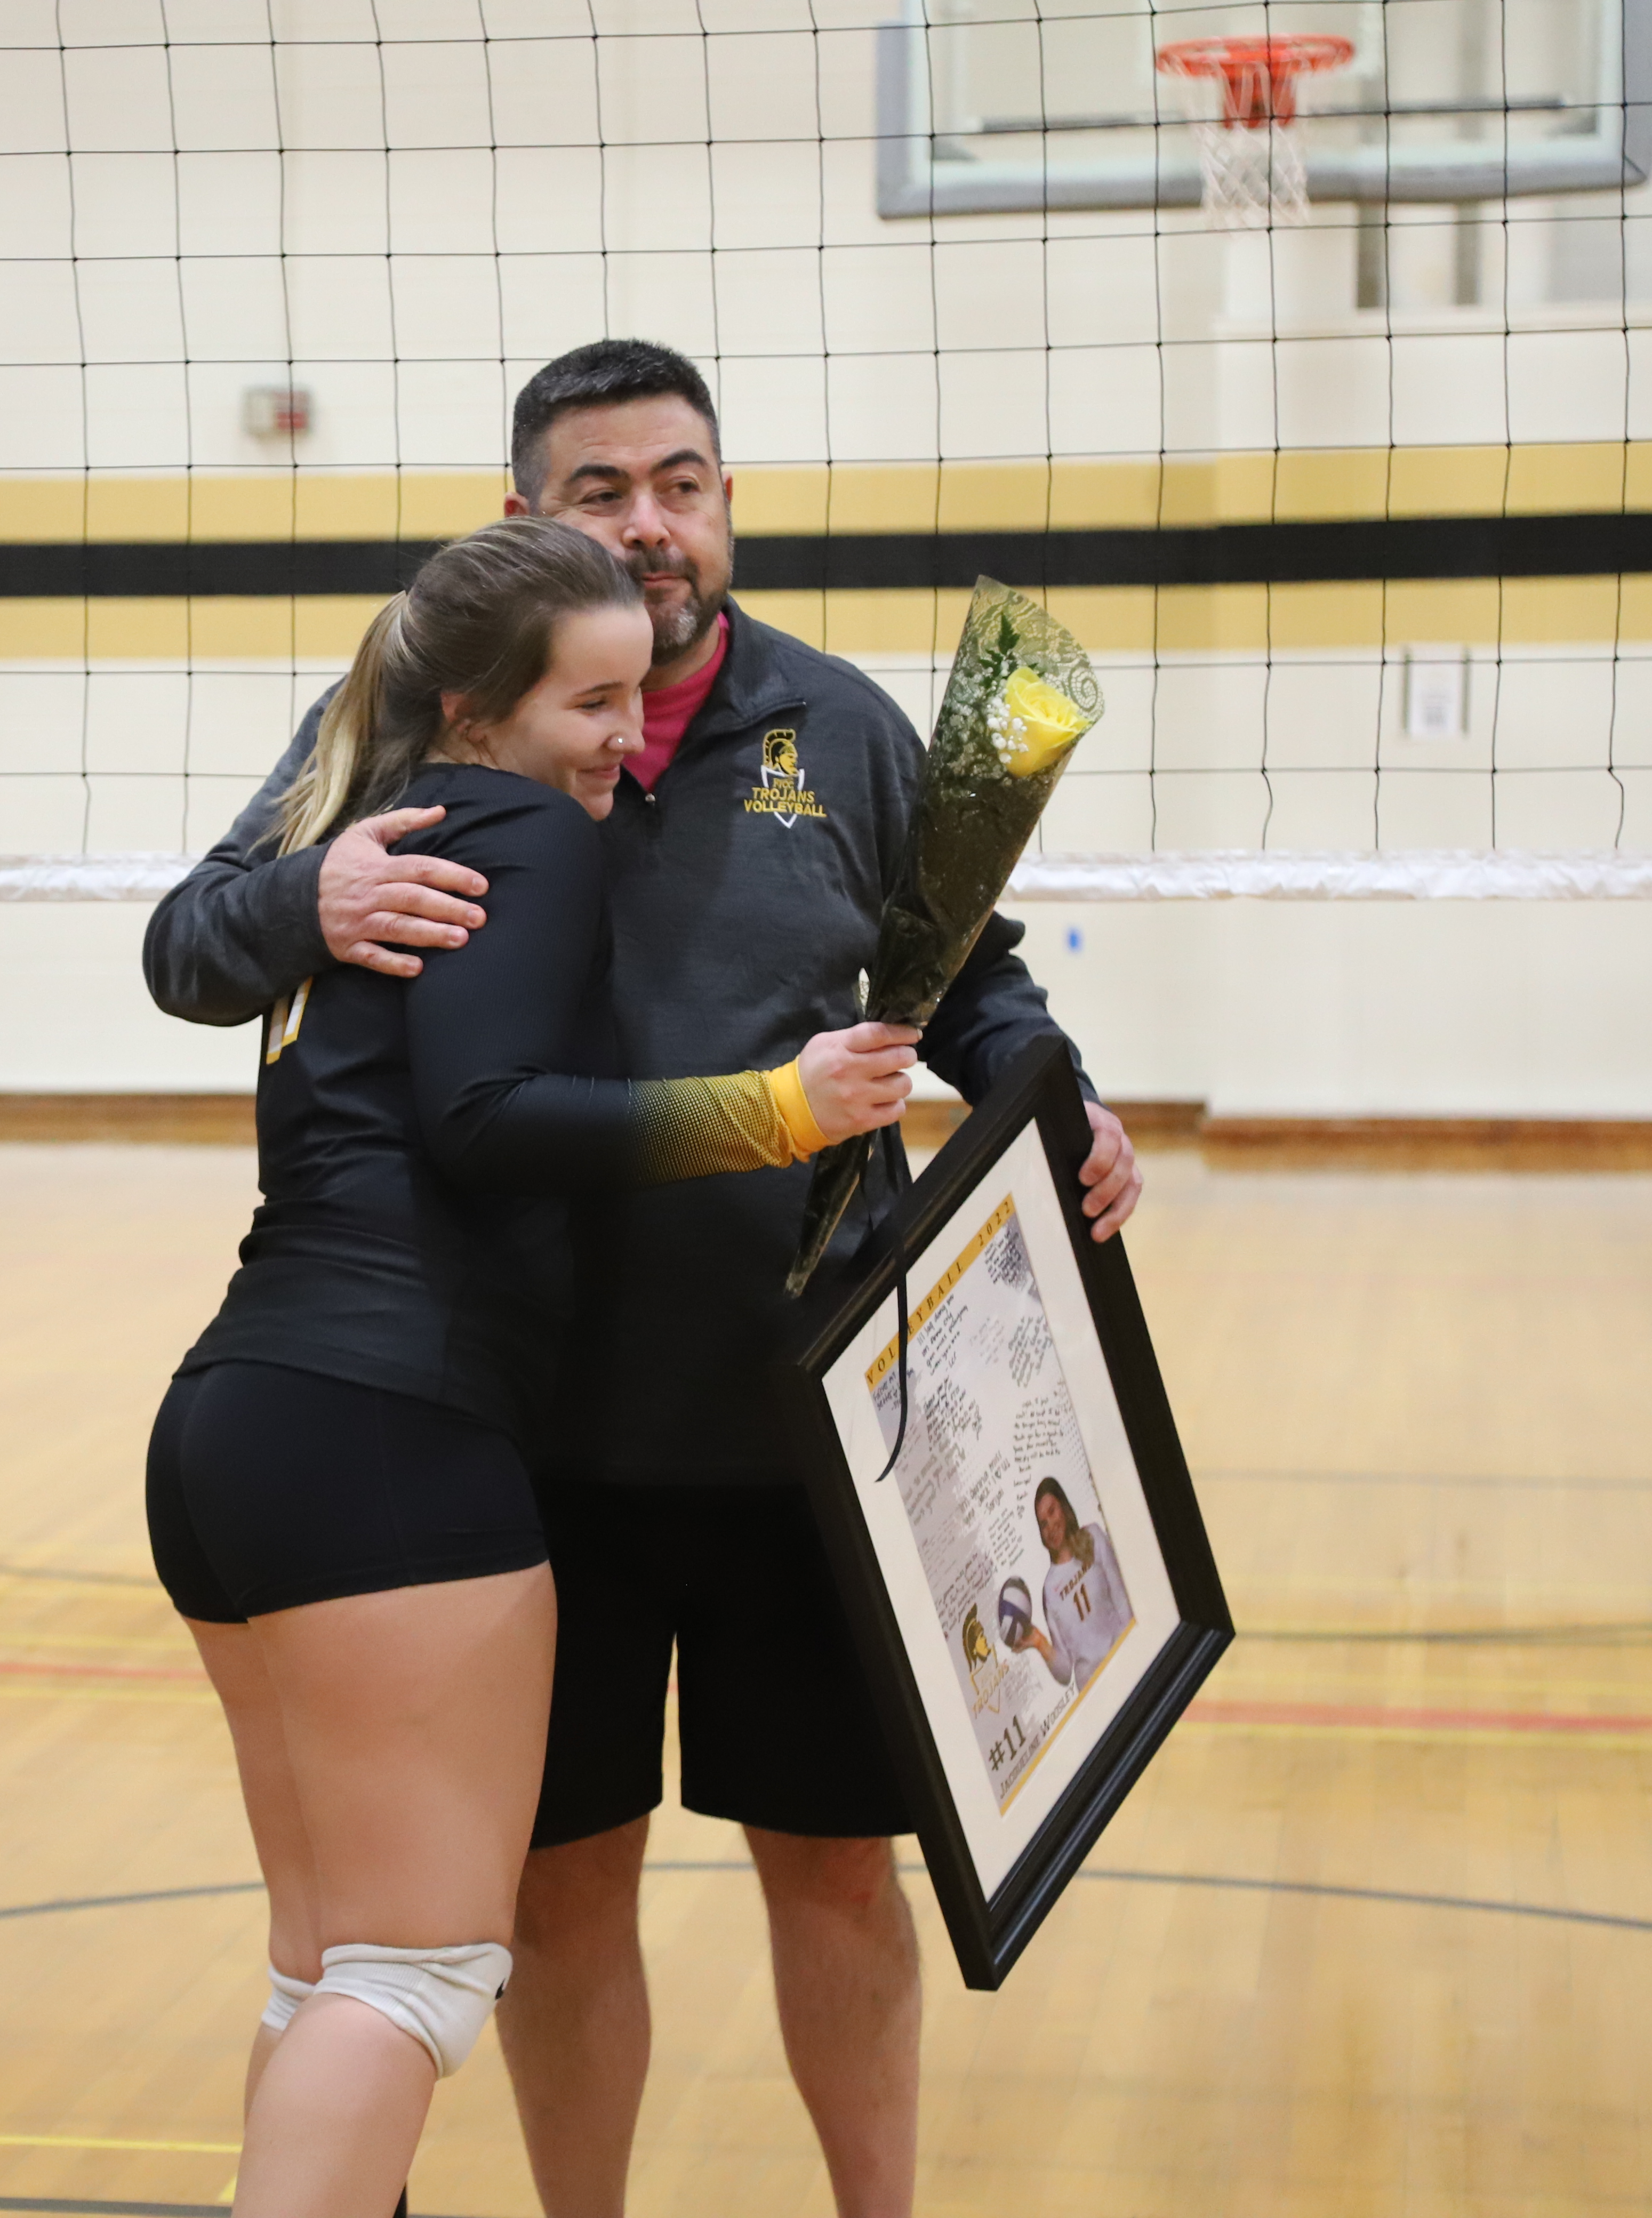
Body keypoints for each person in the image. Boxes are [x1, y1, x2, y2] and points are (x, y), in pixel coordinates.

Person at [145, 340, 1145, 2218]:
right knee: (547, 1887)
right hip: (519, 1447)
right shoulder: (408, 715)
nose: (652, 522)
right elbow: (193, 941)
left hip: (800, 1423)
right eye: (603, 492)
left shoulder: (842, 726)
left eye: (682, 482)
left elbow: (968, 974)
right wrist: (313, 899)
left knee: (838, 1870)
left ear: (729, 499)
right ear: (530, 519)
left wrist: (1059, 1101)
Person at [153, 517, 916, 2218]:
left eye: (634, 703)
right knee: (414, 1973)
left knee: (323, 1961)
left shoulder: (365, 815)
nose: (622, 743)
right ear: (484, 706)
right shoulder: (516, 826)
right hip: (390, 1437)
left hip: (234, 1422)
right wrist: (778, 1110)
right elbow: (488, 1123)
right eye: (589, 705)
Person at [1010, 1477, 1134, 1687]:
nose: (1051, 1527)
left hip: (1126, 1661)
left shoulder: (1093, 1537)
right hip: (1093, 1688)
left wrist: (1134, 1656)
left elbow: (1124, 1604)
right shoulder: (1050, 1590)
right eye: (1043, 1524)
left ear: (1064, 1508)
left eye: (1052, 1512)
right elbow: (1065, 1672)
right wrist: (1039, 1641)